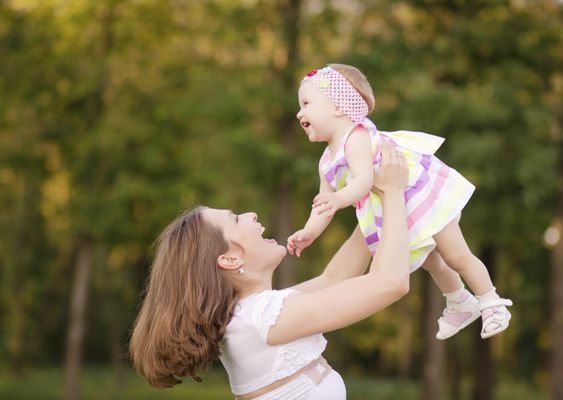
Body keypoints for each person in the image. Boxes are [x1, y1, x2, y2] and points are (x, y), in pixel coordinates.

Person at [130, 145, 412, 399]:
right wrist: (393, 192)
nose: (251, 214)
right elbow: (390, 283)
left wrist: (376, 200)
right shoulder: (264, 319)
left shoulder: (252, 315)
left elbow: (335, 278)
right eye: (236, 219)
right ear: (229, 258)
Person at [287, 64, 512, 340]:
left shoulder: (355, 137)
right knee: (431, 260)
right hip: (395, 208)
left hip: (419, 195)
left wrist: (338, 198)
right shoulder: (326, 160)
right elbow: (323, 205)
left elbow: (363, 181)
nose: (300, 112)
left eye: (307, 103)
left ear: (338, 107)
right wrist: (310, 231)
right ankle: (459, 302)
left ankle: (491, 302)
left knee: (455, 254)